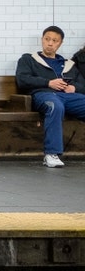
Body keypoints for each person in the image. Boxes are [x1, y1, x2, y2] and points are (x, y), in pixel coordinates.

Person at [15, 25, 85, 167]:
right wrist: (48, 83)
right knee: (55, 106)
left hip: (68, 97)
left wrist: (74, 87)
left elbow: (82, 85)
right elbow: (22, 80)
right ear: (42, 40)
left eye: (55, 40)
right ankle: (51, 154)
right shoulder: (28, 59)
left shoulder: (68, 64)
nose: (50, 43)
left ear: (60, 43)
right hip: (42, 95)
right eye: (47, 39)